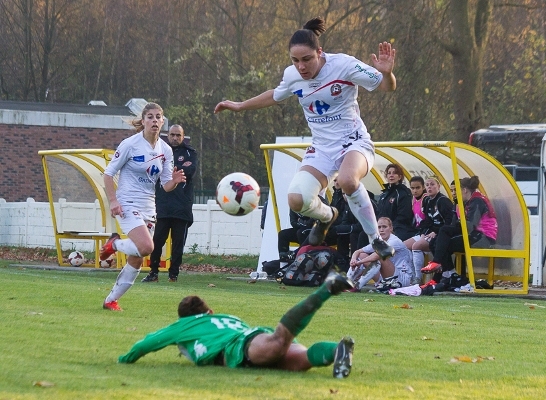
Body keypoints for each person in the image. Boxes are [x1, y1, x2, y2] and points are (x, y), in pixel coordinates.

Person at [214, 16, 396, 262]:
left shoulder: (343, 65)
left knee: (347, 181)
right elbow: (275, 95)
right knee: (296, 200)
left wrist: (387, 74)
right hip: (321, 148)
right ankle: (327, 216)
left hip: (354, 142)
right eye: (295, 60)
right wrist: (239, 105)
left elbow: (386, 87)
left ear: (320, 52)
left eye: (307, 59)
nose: (301, 66)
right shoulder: (293, 75)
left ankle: (375, 239)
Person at [118, 272, 355, 378]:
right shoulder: (226, 317)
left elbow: (148, 342)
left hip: (240, 348)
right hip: (251, 337)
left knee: (279, 340)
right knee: (300, 361)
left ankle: (326, 289)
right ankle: (337, 350)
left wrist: (125, 360)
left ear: (185, 318)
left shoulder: (184, 326)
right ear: (209, 311)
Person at [100, 102, 187, 311]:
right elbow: (108, 174)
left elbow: (165, 186)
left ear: (163, 121)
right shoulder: (130, 144)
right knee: (147, 247)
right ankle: (114, 244)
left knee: (137, 259)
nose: (155, 120)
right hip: (128, 202)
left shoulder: (165, 150)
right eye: (150, 117)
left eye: (158, 117)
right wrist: (113, 200)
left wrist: (174, 181)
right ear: (143, 121)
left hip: (149, 207)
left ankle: (110, 300)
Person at [141, 124, 197, 283]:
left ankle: (174, 275)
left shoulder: (190, 153)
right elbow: (154, 169)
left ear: (183, 136)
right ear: (168, 135)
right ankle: (153, 273)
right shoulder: (160, 150)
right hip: (162, 206)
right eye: (172, 135)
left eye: (178, 135)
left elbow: (189, 171)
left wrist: (172, 170)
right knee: (156, 241)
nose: (175, 138)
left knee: (178, 245)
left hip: (182, 207)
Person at [421, 176, 498, 275]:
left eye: (457, 190)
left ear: (464, 190)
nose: (455, 193)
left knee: (445, 241)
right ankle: (449, 274)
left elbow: (470, 225)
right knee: (436, 241)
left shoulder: (477, 201)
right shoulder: (468, 201)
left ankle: (448, 271)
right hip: (473, 233)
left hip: (483, 237)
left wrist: (457, 223)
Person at [403, 177, 454, 284]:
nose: (429, 187)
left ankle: (418, 278)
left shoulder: (443, 201)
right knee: (403, 246)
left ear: (438, 186)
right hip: (428, 233)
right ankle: (410, 276)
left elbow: (449, 222)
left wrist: (435, 231)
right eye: (427, 185)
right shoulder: (428, 201)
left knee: (416, 246)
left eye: (432, 184)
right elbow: (427, 221)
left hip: (441, 235)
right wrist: (422, 233)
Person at [347, 217, 413, 290]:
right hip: (386, 276)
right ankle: (347, 282)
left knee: (381, 257)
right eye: (379, 227)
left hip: (402, 278)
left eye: (384, 227)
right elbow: (358, 251)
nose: (381, 230)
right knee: (361, 255)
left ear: (391, 228)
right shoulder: (378, 241)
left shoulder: (395, 241)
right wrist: (353, 260)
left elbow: (377, 255)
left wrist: (359, 262)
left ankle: (357, 287)